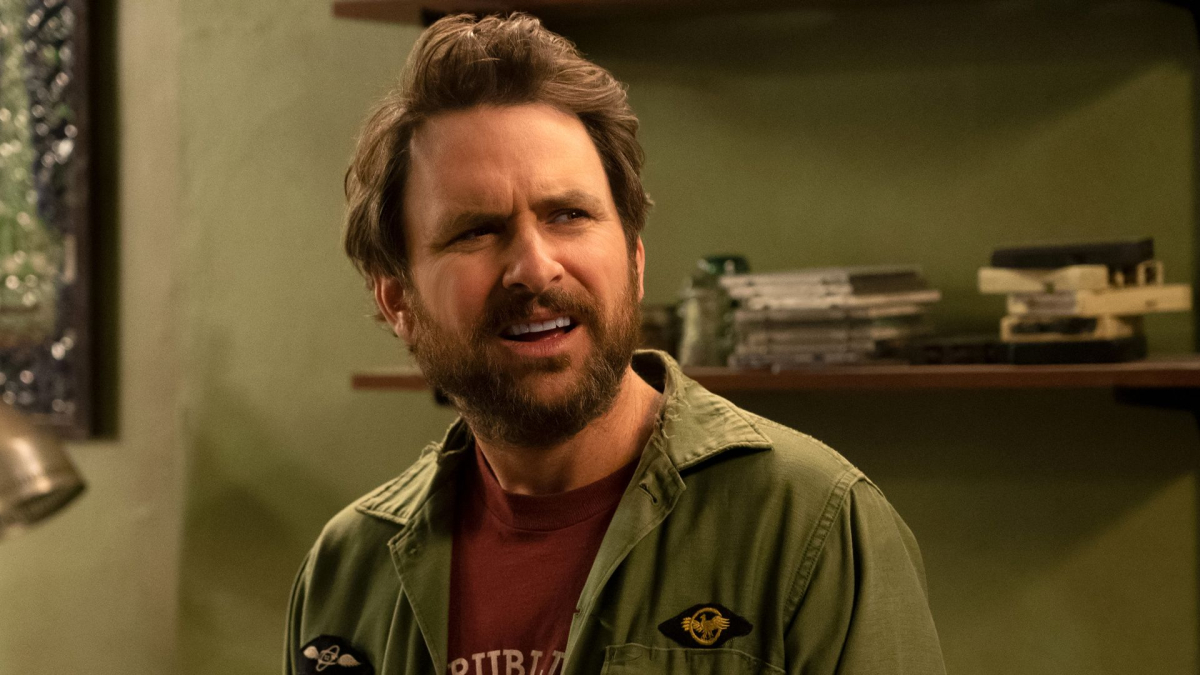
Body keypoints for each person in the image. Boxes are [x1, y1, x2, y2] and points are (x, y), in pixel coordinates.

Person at [285, 13, 945, 675]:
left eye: (568, 215)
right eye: (477, 231)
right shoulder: (347, 571)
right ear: (398, 301)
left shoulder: (814, 527)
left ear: (633, 259)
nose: (535, 267)